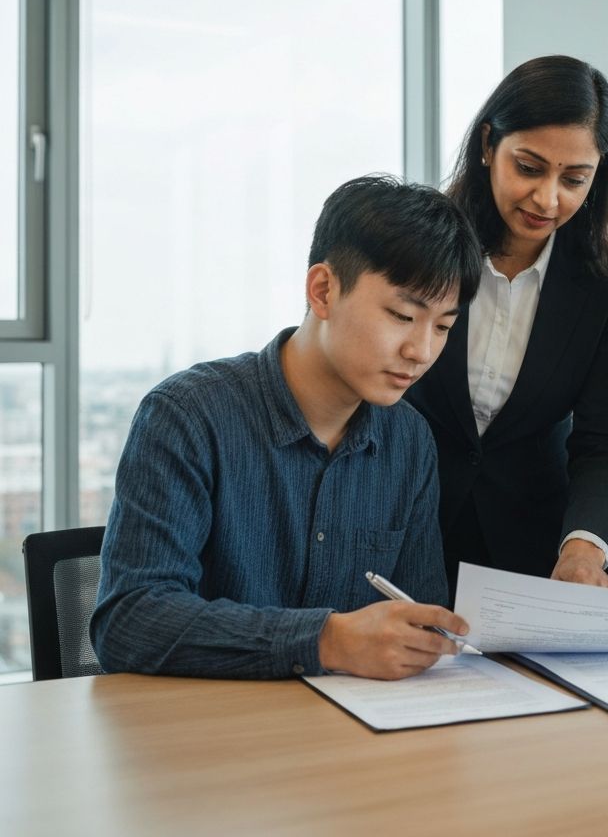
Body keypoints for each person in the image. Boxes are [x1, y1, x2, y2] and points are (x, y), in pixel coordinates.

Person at [91, 176, 483, 680]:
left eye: (443, 327)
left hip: (356, 737)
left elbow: (418, 616)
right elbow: (129, 621)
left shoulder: (408, 441)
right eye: (403, 315)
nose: (422, 351)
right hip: (209, 737)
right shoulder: (188, 416)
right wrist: (327, 640)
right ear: (323, 291)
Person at [407, 55, 608, 591]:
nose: (547, 198)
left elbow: (604, 439)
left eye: (574, 179)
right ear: (489, 145)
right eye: (530, 167)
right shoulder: (420, 247)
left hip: (534, 551)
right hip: (405, 530)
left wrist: (585, 548)